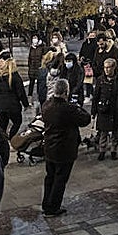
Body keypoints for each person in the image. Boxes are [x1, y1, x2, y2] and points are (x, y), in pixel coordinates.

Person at [40, 79, 91, 217]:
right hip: (64, 149)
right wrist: (76, 106)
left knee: (50, 177)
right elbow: (86, 119)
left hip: (50, 147)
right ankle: (53, 208)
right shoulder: (69, 109)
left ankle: (46, 204)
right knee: (60, 179)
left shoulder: (46, 105)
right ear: (66, 92)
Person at [0, 57, 28, 138]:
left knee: (3, 124)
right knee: (17, 122)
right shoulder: (15, 76)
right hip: (12, 105)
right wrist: (26, 104)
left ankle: (2, 139)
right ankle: (11, 136)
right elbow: (21, 92)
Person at [91, 57, 118, 161]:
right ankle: (102, 151)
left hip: (115, 109)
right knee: (103, 132)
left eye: (109, 67)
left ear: (114, 68)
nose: (107, 70)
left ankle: (114, 150)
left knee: (115, 132)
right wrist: (93, 111)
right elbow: (96, 96)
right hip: (103, 109)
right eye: (105, 68)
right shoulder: (100, 80)